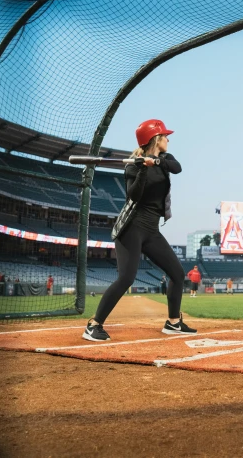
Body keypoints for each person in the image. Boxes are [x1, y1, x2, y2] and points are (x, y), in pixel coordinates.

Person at [83, 119, 195, 342]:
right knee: (127, 278)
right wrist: (143, 168)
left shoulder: (166, 159)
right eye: (164, 136)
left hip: (152, 230)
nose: (168, 139)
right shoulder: (133, 166)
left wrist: (156, 162)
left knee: (177, 273)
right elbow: (134, 196)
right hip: (132, 227)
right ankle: (94, 325)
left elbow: (177, 168)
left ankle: (173, 323)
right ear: (156, 139)